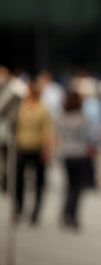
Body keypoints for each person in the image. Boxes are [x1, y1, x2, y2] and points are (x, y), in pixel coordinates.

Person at [15, 81, 54, 225]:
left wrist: (47, 149)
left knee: (39, 182)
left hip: (37, 147)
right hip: (22, 147)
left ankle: (35, 211)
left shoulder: (42, 109)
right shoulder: (21, 108)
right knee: (19, 180)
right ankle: (18, 208)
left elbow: (47, 130)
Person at [56, 90, 90, 231]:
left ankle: (66, 211)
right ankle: (73, 214)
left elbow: (59, 135)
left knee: (69, 184)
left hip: (66, 153)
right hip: (79, 153)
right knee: (77, 186)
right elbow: (86, 136)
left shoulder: (62, 118)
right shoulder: (81, 118)